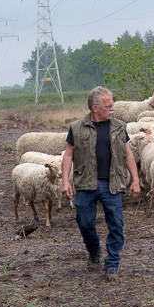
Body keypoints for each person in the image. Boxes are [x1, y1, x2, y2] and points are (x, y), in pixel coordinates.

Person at [62, 86, 140, 282]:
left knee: (116, 224)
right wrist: (65, 181)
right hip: (85, 182)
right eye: (108, 106)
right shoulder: (76, 127)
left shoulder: (119, 127)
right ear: (95, 108)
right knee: (85, 222)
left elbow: (128, 154)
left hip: (112, 183)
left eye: (112, 105)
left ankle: (112, 263)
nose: (112, 109)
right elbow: (68, 155)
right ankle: (93, 250)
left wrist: (136, 180)